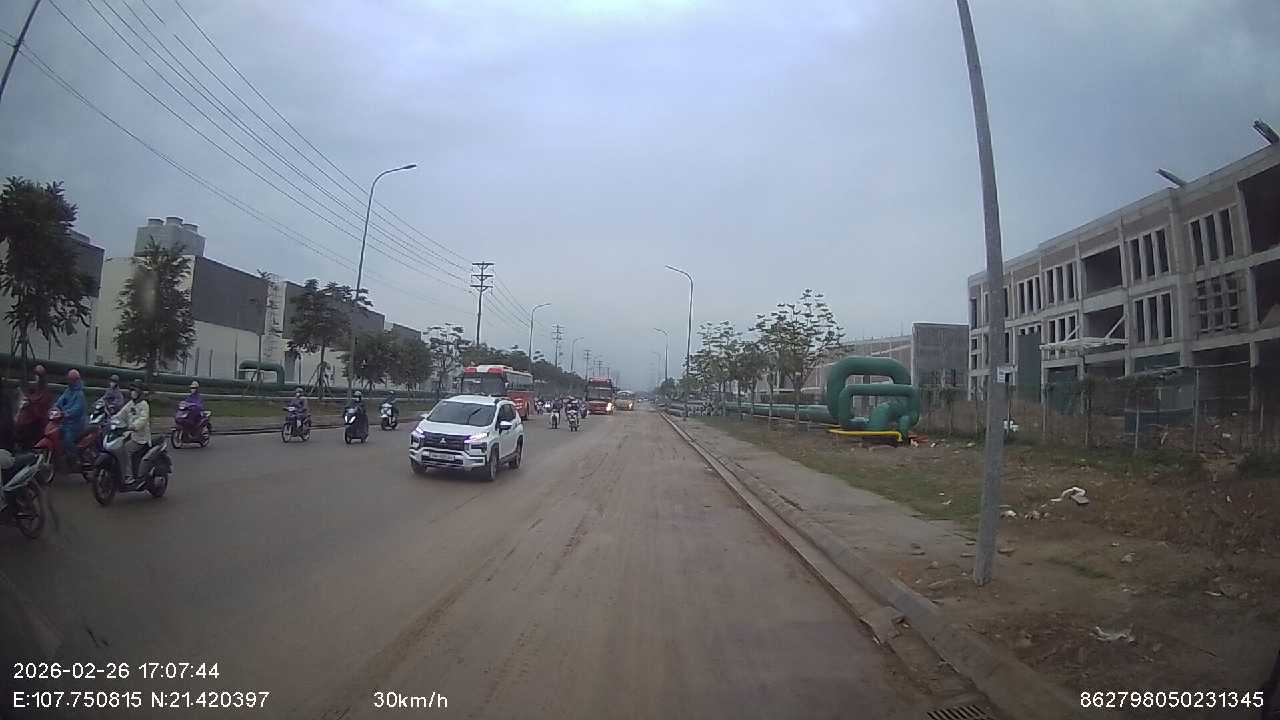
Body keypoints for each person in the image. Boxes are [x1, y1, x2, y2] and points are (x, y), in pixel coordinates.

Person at [112, 381, 151, 483]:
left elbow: (143, 419)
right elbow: (121, 414)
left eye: (135, 390)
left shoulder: (144, 404)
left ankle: (128, 476)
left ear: (139, 392)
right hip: (129, 434)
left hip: (140, 437)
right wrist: (111, 420)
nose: (132, 392)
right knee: (116, 446)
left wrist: (134, 426)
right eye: (131, 390)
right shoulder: (130, 404)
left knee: (126, 449)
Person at [16, 365, 54, 449]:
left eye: (37, 376)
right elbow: (33, 399)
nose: (36, 378)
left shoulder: (45, 392)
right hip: (32, 419)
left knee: (25, 427)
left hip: (38, 422)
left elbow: (40, 410)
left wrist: (30, 403)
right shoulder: (37, 389)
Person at [54, 369, 87, 463]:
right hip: (65, 422)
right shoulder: (68, 391)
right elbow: (60, 401)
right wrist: (55, 407)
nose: (69, 382)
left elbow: (78, 409)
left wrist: (66, 413)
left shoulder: (79, 394)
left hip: (75, 424)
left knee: (67, 438)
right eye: (69, 379)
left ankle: (74, 458)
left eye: (71, 380)